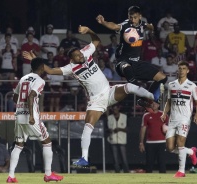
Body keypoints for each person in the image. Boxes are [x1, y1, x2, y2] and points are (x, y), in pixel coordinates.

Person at [23, 25, 154, 167]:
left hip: (109, 91)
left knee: (129, 87)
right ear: (72, 59)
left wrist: (89, 31)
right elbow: (49, 70)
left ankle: (153, 97)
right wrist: (35, 59)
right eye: (78, 56)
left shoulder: (86, 52)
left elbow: (97, 41)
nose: (81, 56)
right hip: (96, 101)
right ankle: (84, 158)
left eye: (80, 53)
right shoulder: (70, 68)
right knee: (88, 126)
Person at [96, 6, 167, 109]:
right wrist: (104, 22)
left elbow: (150, 26)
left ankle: (144, 100)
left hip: (136, 63)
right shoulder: (125, 25)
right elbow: (115, 26)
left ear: (140, 17)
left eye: (135, 17)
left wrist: (151, 27)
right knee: (127, 68)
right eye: (130, 17)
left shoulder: (142, 24)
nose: (132, 20)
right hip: (122, 62)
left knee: (163, 78)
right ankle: (145, 98)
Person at [6, 57, 63, 182]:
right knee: (47, 142)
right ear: (42, 67)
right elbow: (31, 96)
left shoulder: (23, 78)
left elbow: (15, 97)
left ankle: (11, 176)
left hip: (19, 115)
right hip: (31, 117)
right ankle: (48, 174)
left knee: (18, 145)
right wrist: (31, 115)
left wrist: (22, 105)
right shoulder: (40, 81)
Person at [160, 61, 197, 178]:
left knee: (180, 143)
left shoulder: (192, 86)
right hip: (172, 119)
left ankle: (181, 171)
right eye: (180, 68)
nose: (181, 70)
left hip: (184, 118)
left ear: (187, 71)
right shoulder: (171, 84)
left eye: (184, 68)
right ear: (177, 70)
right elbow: (169, 101)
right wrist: (164, 113)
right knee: (170, 148)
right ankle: (191, 152)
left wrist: (196, 115)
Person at [139, 102, 168, 173]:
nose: (154, 105)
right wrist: (141, 143)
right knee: (149, 164)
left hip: (162, 143)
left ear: (158, 105)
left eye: (155, 104)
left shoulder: (163, 114)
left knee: (162, 164)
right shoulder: (146, 115)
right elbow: (143, 129)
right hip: (150, 143)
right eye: (152, 104)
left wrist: (169, 141)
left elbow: (169, 128)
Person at [107, 104, 129, 173]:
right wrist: (109, 130)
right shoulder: (109, 117)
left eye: (116, 109)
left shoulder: (124, 117)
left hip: (122, 140)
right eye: (113, 109)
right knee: (115, 159)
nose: (115, 110)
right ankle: (117, 172)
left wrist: (119, 129)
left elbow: (127, 129)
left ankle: (126, 171)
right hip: (113, 140)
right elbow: (106, 129)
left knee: (124, 158)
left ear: (118, 109)